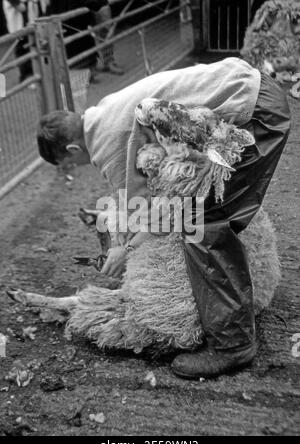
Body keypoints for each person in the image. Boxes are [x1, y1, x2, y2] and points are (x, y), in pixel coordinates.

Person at [36, 57, 290, 379]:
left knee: (204, 223)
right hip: (250, 86)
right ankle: (236, 290)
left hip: (255, 114)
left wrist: (122, 251)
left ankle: (232, 344)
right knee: (213, 203)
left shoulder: (107, 143)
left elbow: (144, 210)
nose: (76, 167)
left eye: (69, 164)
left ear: (72, 149)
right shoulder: (104, 109)